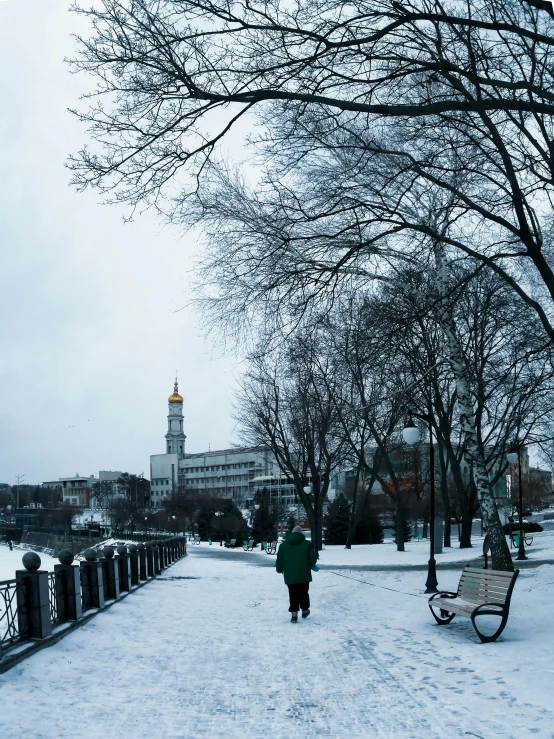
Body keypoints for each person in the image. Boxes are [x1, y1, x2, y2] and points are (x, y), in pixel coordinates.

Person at [276, 525, 318, 623]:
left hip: (289, 574)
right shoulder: (308, 544)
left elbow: (279, 560)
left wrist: (279, 569)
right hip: (304, 573)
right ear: (301, 534)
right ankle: (305, 610)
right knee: (304, 592)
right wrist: (312, 565)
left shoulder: (283, 545)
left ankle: (294, 613)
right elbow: (312, 559)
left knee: (292, 593)